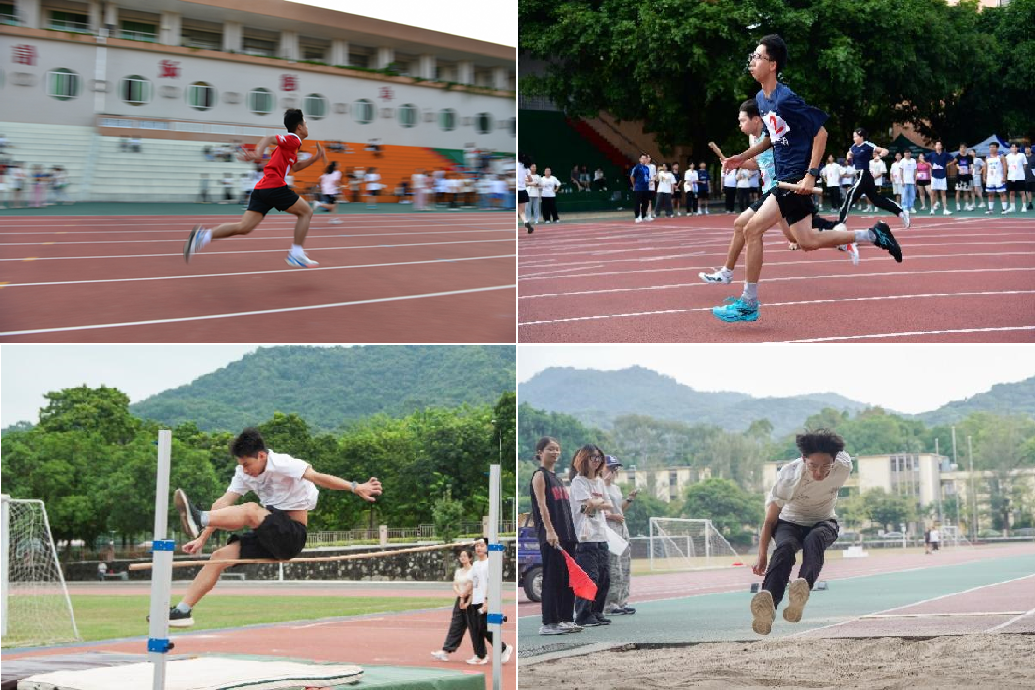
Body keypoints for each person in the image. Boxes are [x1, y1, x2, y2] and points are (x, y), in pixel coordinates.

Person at [713, 35, 901, 322]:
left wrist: (811, 176)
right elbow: (771, 138)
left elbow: (821, 134)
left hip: (795, 177)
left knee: (751, 229)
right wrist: (741, 156)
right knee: (807, 240)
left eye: (758, 57)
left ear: (773, 65)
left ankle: (748, 303)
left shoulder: (786, 99)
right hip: (787, 179)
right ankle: (874, 235)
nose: (752, 61)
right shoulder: (762, 100)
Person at [161, 427, 382, 627]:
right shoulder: (243, 474)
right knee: (219, 557)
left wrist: (355, 487)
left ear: (262, 456)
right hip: (267, 535)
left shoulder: (284, 463)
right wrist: (202, 538)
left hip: (292, 535)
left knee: (250, 510)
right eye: (241, 465)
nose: (244, 470)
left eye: (247, 464)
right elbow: (222, 504)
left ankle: (199, 517)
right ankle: (183, 611)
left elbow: (318, 478)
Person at [699, 100, 858, 287]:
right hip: (771, 192)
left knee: (741, 224)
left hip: (782, 188)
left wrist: (807, 175)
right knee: (797, 238)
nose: (739, 124)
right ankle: (841, 237)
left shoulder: (775, 136)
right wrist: (737, 163)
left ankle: (727, 273)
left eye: (742, 120)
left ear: (756, 119)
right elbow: (757, 164)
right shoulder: (753, 140)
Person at [183, 109, 324, 268]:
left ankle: (203, 236)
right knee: (306, 212)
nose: (307, 126)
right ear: (299, 127)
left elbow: (295, 167)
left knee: (244, 227)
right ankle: (296, 254)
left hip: (262, 189)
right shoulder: (294, 140)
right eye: (306, 123)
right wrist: (258, 153)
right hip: (274, 186)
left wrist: (315, 158)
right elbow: (269, 138)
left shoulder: (291, 146)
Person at [750, 429, 852, 635]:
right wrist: (762, 556)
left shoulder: (844, 465)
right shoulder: (789, 477)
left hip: (824, 521)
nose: (819, 473)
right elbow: (770, 520)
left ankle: (801, 591)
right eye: (813, 466)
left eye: (826, 466)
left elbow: (837, 453)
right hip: (789, 522)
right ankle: (767, 607)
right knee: (785, 549)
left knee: (814, 539)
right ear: (804, 459)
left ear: (834, 461)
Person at [530, 437, 582, 636]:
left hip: (567, 535)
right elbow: (542, 505)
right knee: (552, 579)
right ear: (540, 452)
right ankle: (549, 623)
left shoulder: (558, 478)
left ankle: (566, 619)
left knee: (567, 579)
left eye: (557, 449)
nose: (555, 452)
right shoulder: (540, 476)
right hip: (552, 536)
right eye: (550, 449)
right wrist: (550, 530)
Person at [568, 444, 612, 628]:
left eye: (599, 457)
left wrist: (595, 502)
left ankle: (597, 611)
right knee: (589, 577)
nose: (596, 460)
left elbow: (608, 505)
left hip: (601, 534)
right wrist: (596, 502)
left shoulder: (599, 482)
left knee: (604, 576)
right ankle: (583, 615)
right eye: (593, 457)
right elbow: (587, 504)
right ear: (584, 459)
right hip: (585, 536)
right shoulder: (578, 482)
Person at [839, 129, 908, 227]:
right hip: (861, 176)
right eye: (853, 136)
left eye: (855, 136)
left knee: (850, 195)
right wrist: (849, 157)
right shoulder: (853, 147)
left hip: (864, 174)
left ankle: (840, 222)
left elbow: (885, 150)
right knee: (876, 200)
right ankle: (901, 212)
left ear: (861, 137)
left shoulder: (867, 145)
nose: (854, 138)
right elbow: (849, 154)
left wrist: (879, 156)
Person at [467, 538, 513, 665]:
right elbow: (474, 584)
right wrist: (468, 600)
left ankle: (504, 648)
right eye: (477, 546)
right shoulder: (475, 565)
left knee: (485, 628)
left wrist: (487, 601)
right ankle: (480, 655)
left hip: (485, 600)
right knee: (476, 629)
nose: (478, 548)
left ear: (487, 548)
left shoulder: (490, 564)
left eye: (481, 545)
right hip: (475, 600)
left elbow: (491, 583)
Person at [602, 455, 636, 617]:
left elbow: (618, 509)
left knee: (625, 566)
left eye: (615, 468)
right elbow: (597, 510)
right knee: (614, 567)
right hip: (609, 529)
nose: (613, 471)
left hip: (621, 528)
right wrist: (611, 516)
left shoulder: (615, 488)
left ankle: (622, 601)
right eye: (610, 467)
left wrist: (629, 500)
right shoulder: (599, 486)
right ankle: (610, 603)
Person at [430, 548, 475, 661]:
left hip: (471, 599)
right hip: (460, 598)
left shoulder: (474, 570)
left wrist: (465, 597)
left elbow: (472, 586)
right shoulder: (458, 571)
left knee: (476, 628)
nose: (462, 558)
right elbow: (455, 585)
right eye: (461, 556)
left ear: (470, 558)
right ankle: (446, 651)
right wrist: (460, 595)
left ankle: (485, 652)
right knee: (456, 625)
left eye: (465, 556)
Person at [928, 141, 953, 215]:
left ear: (941, 146)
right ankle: (932, 209)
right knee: (933, 193)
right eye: (937, 144)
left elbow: (954, 159)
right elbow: (923, 159)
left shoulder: (945, 154)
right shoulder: (932, 154)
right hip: (934, 176)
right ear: (935, 147)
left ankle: (945, 210)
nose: (938, 145)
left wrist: (948, 165)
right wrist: (929, 164)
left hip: (943, 176)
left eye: (939, 144)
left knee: (943, 193)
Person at [984, 142, 1008, 214]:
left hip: (999, 177)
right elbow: (985, 167)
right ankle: (990, 209)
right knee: (990, 193)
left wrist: (1004, 177)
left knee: (1002, 193)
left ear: (997, 148)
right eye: (990, 147)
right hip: (990, 178)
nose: (991, 148)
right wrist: (984, 176)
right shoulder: (987, 157)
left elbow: (1005, 166)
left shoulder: (1001, 156)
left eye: (993, 147)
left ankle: (1004, 209)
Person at [1005, 143, 1028, 214]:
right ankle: (1012, 208)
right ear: (1010, 148)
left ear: (1018, 148)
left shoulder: (1022, 155)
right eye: (1012, 147)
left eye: (1015, 147)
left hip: (1020, 177)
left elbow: (1025, 164)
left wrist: (1021, 172)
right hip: (1010, 177)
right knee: (1011, 193)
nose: (1014, 148)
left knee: (1022, 192)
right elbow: (1006, 166)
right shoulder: (1008, 156)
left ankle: (1024, 207)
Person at [630, 153, 651, 223]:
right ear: (639, 159)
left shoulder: (647, 168)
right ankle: (637, 217)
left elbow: (647, 177)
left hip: (646, 188)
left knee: (646, 203)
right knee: (637, 202)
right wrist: (634, 185)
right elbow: (632, 176)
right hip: (638, 188)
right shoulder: (637, 167)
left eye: (645, 158)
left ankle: (643, 216)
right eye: (642, 158)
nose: (644, 159)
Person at [954, 144, 975, 212]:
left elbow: (971, 165)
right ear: (959, 149)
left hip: (967, 176)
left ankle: (966, 206)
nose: (962, 149)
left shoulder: (970, 157)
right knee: (958, 191)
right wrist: (960, 169)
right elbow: (956, 165)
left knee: (966, 191)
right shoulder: (957, 156)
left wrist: (971, 170)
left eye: (964, 147)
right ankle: (958, 206)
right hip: (959, 177)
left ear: (966, 148)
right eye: (961, 147)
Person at [518, 152, 533, 233]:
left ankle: (526, 224)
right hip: (523, 191)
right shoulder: (526, 168)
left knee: (518, 211)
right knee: (522, 212)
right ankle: (526, 222)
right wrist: (524, 180)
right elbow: (530, 180)